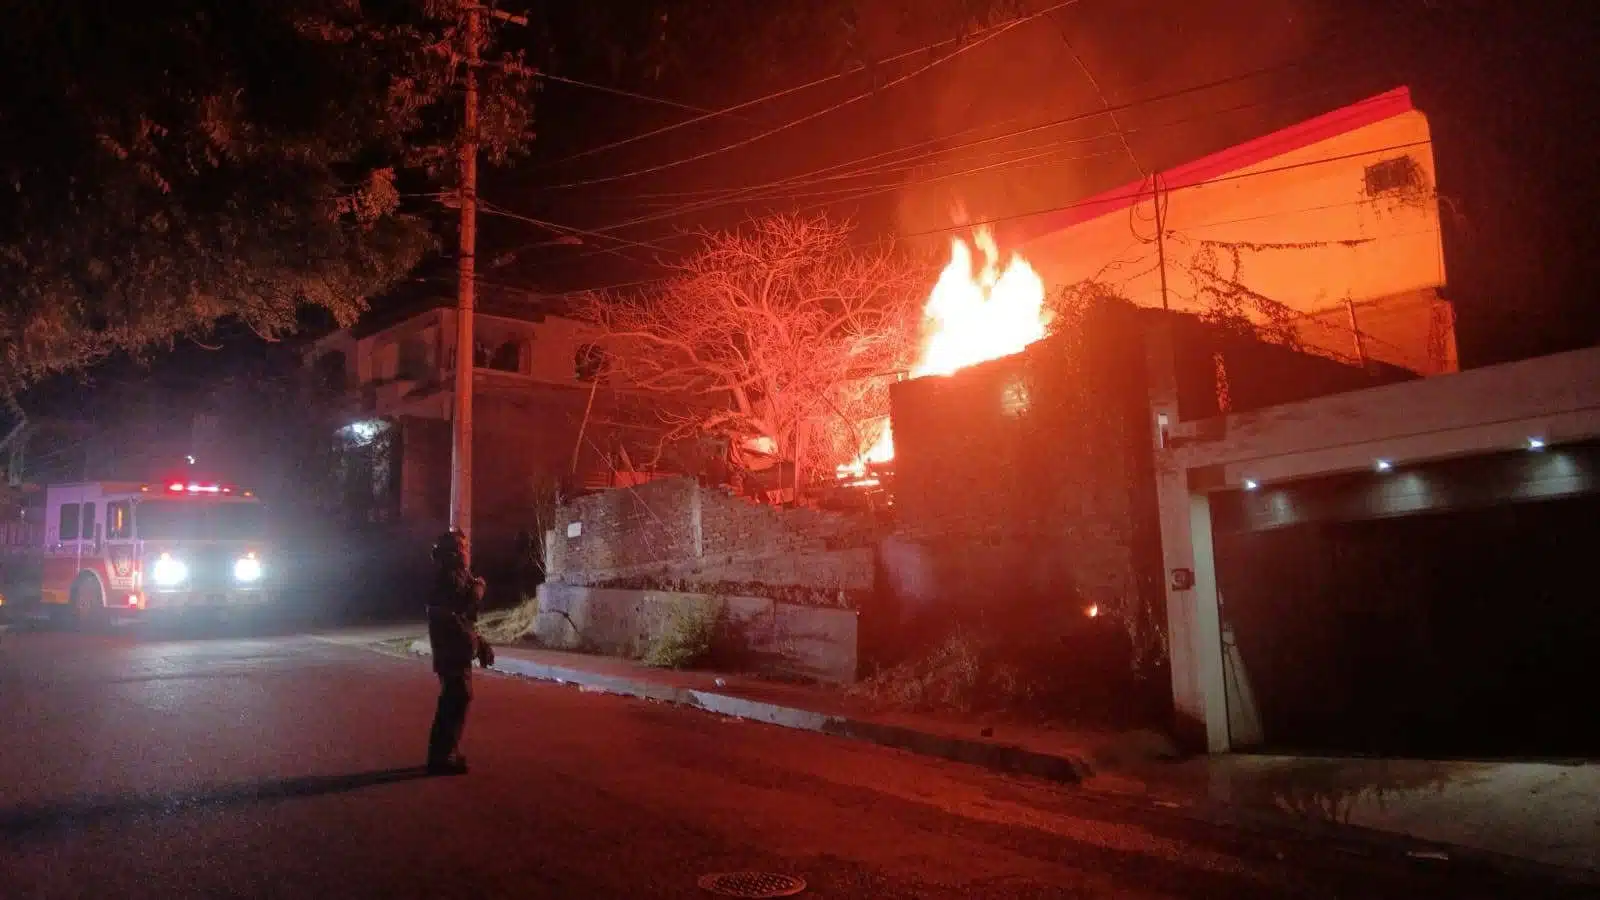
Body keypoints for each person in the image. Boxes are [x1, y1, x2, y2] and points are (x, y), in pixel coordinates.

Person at [425, 530, 493, 775]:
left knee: (456, 698)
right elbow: (455, 617)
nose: (466, 553)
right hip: (451, 649)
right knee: (455, 698)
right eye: (463, 548)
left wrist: (478, 641)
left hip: (453, 648)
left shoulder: (455, 577)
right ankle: (441, 757)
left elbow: (464, 617)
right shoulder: (449, 579)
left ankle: (444, 753)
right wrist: (476, 591)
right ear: (454, 553)